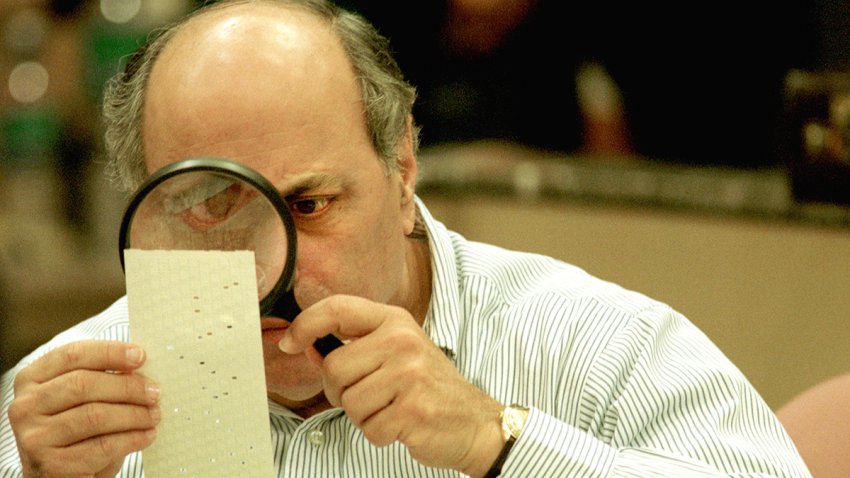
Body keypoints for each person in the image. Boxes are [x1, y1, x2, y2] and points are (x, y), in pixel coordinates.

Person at [0, 1, 811, 476]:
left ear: (401, 172)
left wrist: (501, 443)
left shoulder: (599, 351)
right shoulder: (58, 411)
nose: (264, 272)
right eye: (210, 210)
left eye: (309, 207)